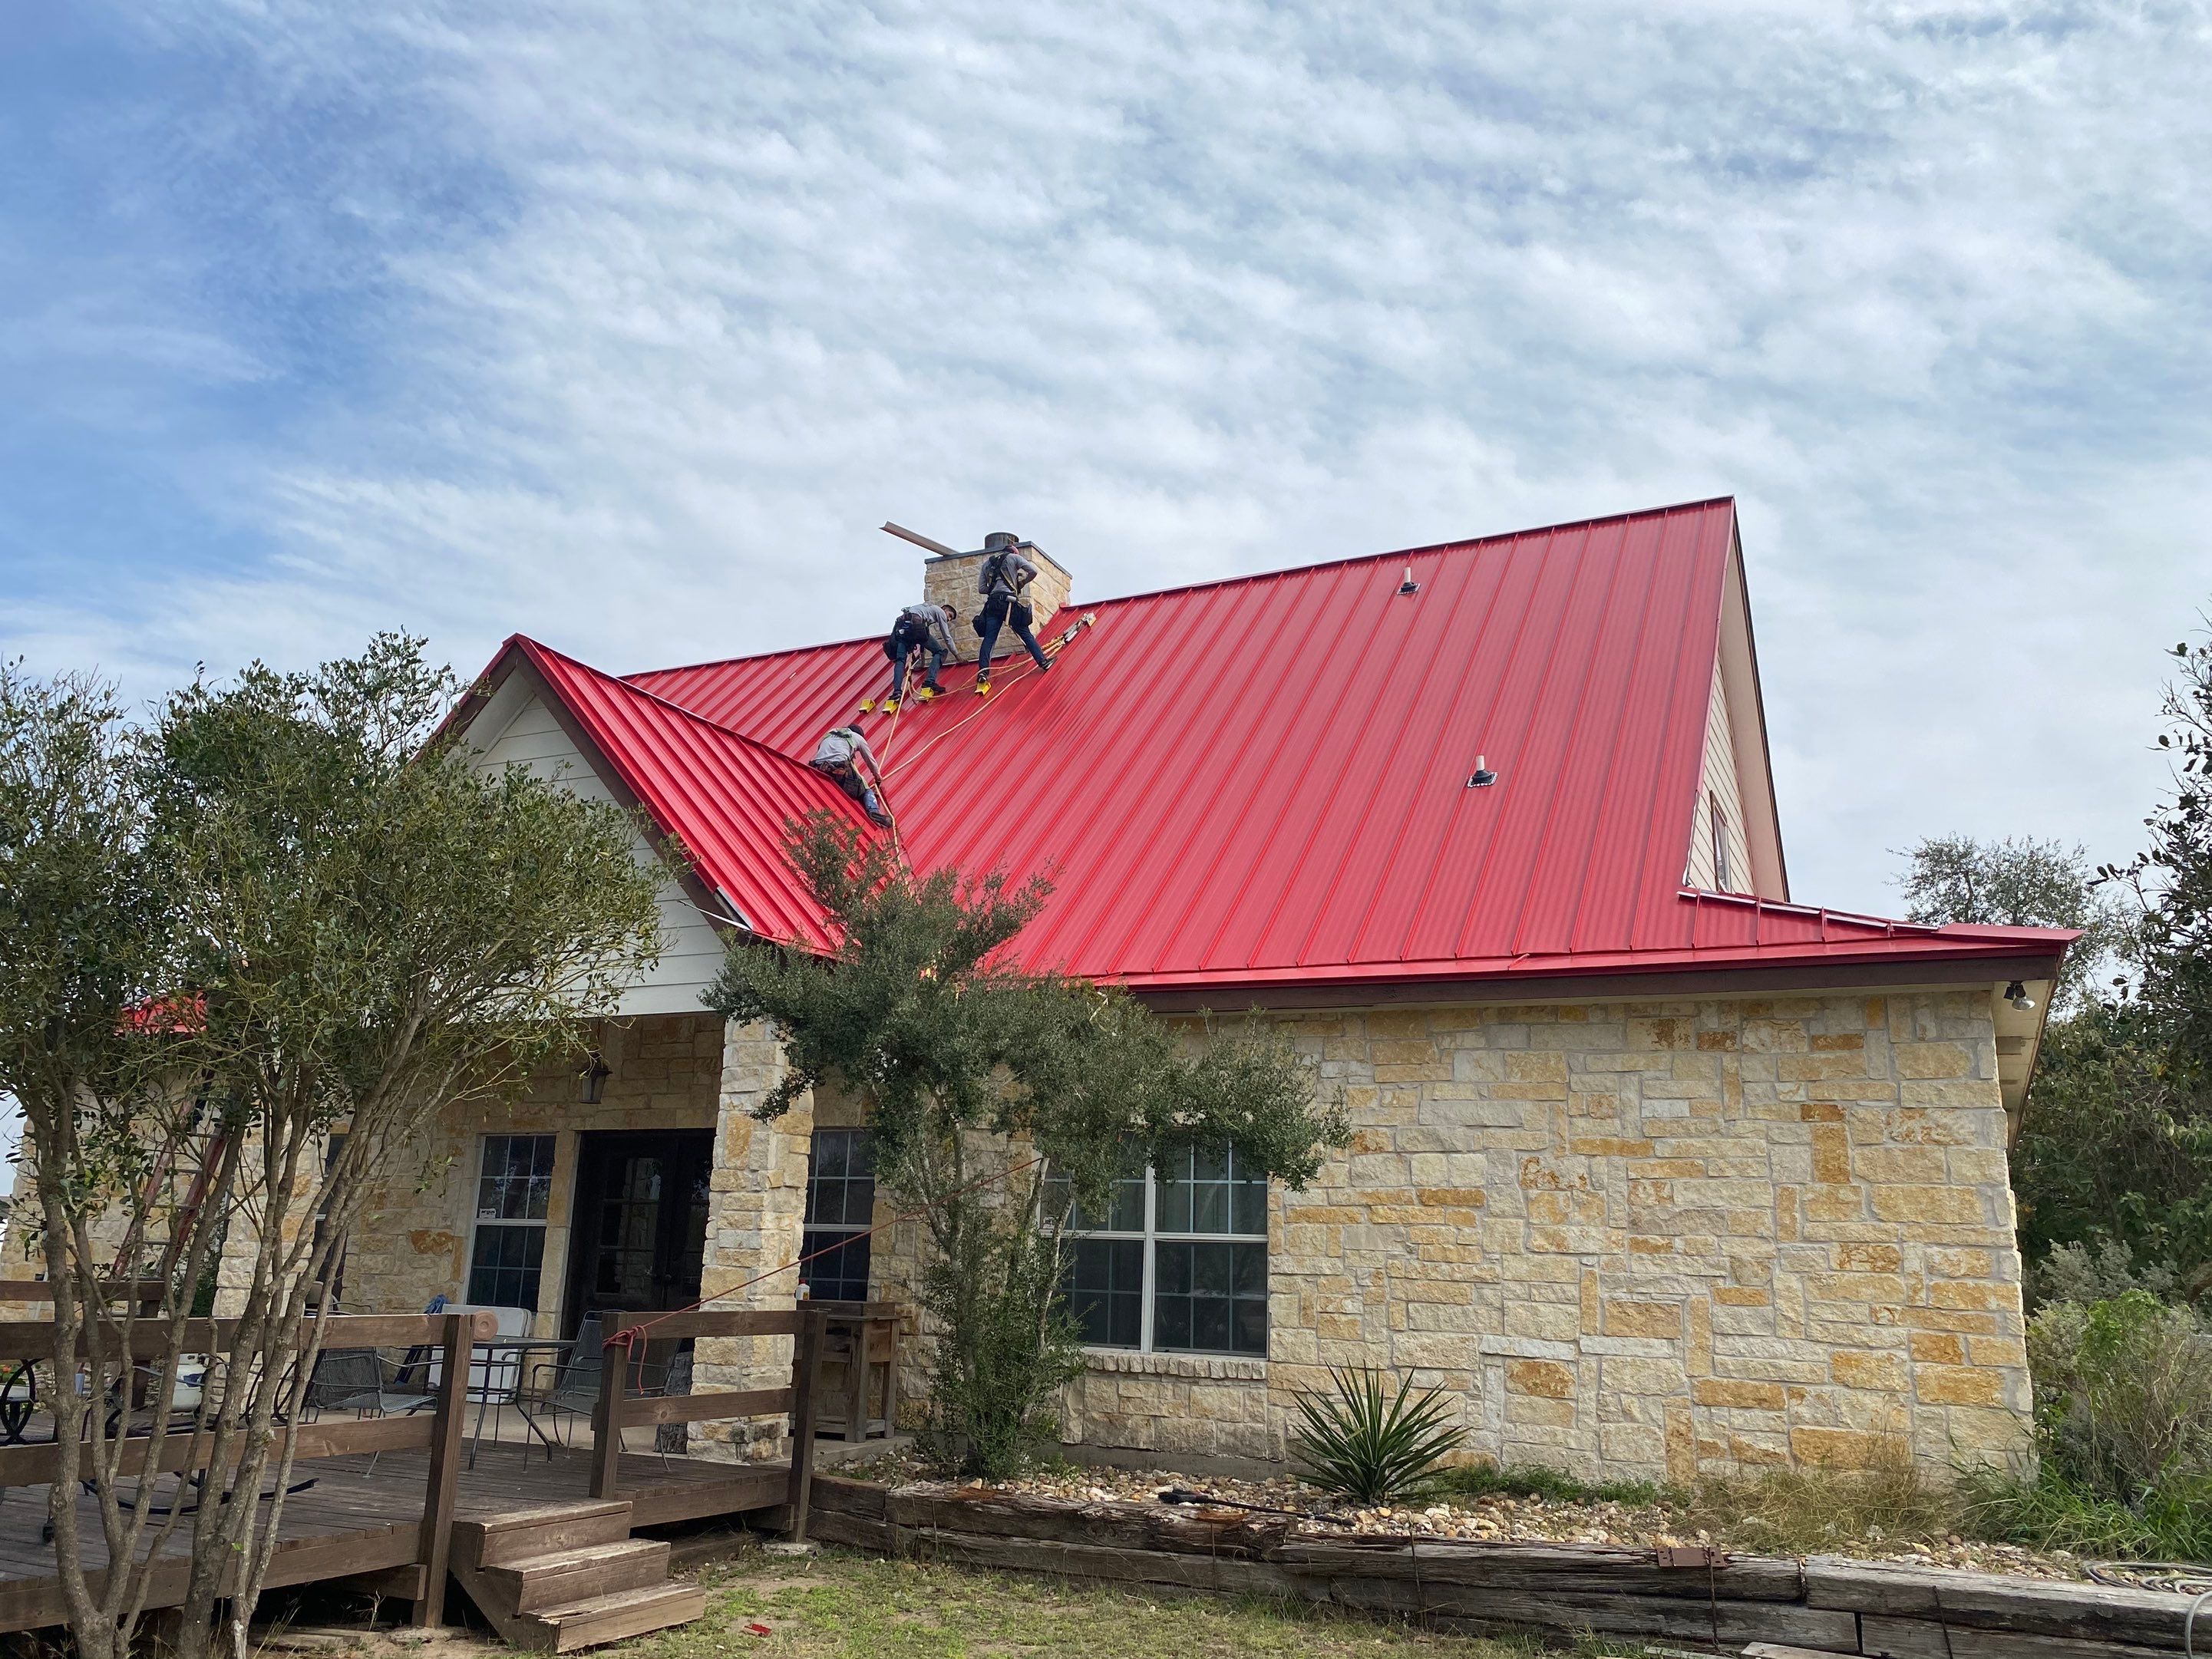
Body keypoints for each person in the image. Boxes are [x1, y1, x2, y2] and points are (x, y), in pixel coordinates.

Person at [972, 543, 1050, 694]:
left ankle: (983, 672)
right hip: (1009, 602)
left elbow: (982, 589)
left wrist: (995, 588)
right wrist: (1021, 582)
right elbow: (1033, 571)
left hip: (993, 604)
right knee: (1024, 632)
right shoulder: (1015, 558)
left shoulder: (988, 564)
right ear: (1014, 552)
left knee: (990, 639)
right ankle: (1043, 661)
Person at [864, 601, 958, 713]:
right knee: (940, 652)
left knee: (900, 661)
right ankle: (929, 682)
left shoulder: (921, 608)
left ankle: (897, 692)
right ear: (944, 609)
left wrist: (921, 664)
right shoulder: (939, 611)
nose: (949, 619)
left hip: (902, 632)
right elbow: (946, 637)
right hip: (917, 629)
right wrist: (957, 656)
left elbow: (922, 642)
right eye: (950, 615)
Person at [808, 724, 893, 827]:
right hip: (838, 767)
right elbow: (870, 761)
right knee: (866, 789)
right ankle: (874, 811)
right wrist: (877, 777)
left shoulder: (831, 732)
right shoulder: (858, 738)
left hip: (818, 767)